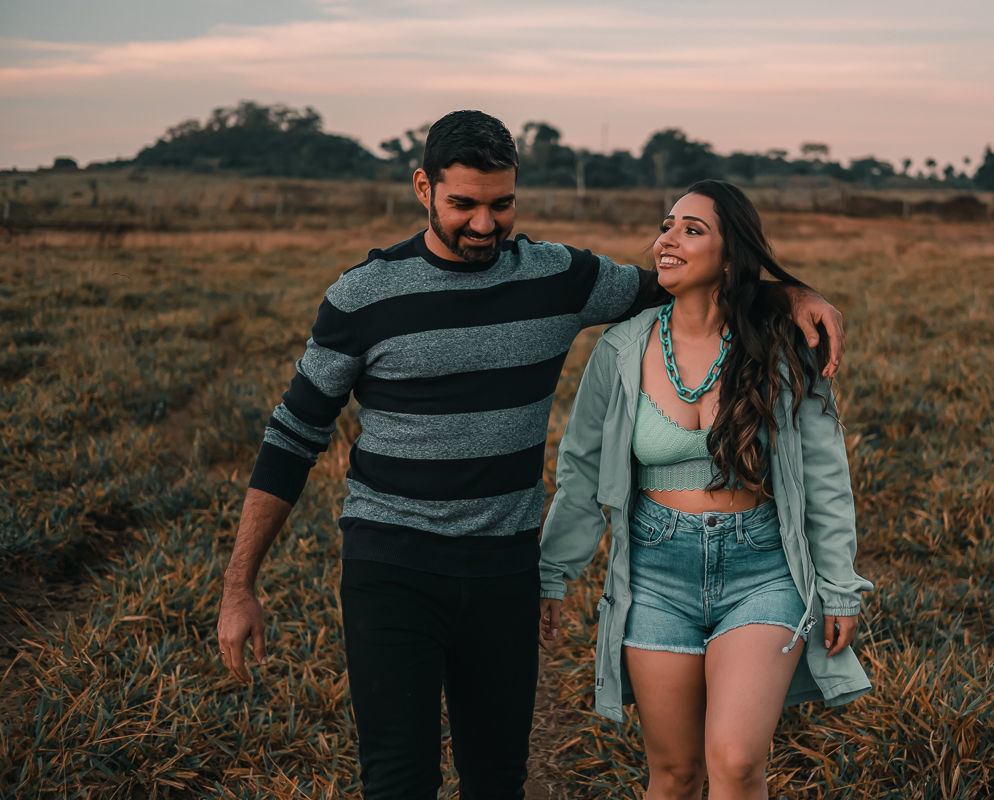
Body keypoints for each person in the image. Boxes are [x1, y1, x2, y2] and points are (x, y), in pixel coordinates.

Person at [216, 111, 846, 800]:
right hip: (392, 566)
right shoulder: (363, 297)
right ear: (423, 188)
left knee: (497, 779)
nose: (485, 224)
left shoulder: (558, 277)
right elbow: (291, 438)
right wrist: (240, 584)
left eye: (501, 204)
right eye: (463, 204)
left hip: (503, 571)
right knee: (398, 780)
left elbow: (677, 282)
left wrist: (788, 292)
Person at [538, 180, 873, 800]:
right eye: (667, 225)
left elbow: (828, 476)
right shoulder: (620, 349)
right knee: (674, 776)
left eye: (692, 230)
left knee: (738, 761)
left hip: (762, 570)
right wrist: (552, 572)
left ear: (730, 255)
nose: (667, 239)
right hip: (656, 577)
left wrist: (839, 586)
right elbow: (581, 473)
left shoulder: (782, 347)